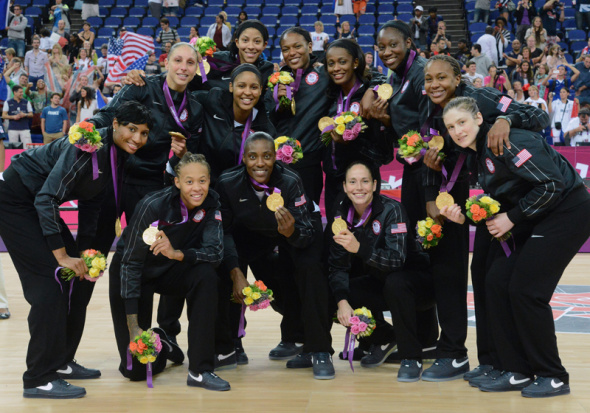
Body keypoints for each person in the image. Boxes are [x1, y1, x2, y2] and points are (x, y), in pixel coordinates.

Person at [0, 101, 152, 399]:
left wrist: (84, 251)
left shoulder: (118, 153)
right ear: (116, 123)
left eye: (144, 133)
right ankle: (38, 378)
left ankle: (62, 361)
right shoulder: (88, 147)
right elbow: (46, 199)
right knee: (50, 283)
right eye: (132, 129)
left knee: (76, 280)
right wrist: (62, 256)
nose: (137, 138)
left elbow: (92, 201)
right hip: (15, 200)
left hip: (37, 201)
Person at [440, 96, 590, 397]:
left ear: (479, 119)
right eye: (451, 126)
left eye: (462, 122)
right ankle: (516, 370)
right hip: (538, 215)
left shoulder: (507, 141)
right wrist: (465, 216)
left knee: (526, 291)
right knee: (496, 281)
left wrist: (512, 218)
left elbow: (551, 185)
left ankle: (553, 375)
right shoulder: (475, 152)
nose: (457, 131)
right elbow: (507, 196)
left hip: (567, 213)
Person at [422, 54, 550, 382]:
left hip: (519, 203)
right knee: (480, 274)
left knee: (497, 280)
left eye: (442, 78)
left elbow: (538, 116)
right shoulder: (433, 111)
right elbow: (444, 159)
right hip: (488, 201)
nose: (434, 84)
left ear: (458, 79)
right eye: (428, 79)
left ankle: (512, 363)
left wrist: (508, 121)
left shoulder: (482, 96)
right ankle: (491, 361)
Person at [215, 132, 334, 379]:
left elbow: (307, 232)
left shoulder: (290, 181)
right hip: (254, 233)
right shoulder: (228, 181)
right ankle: (230, 344)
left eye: (267, 156)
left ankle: (319, 350)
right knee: (225, 266)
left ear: (275, 158)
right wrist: (235, 271)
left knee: (310, 272)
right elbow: (223, 232)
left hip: (297, 230)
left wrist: (291, 233)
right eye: (253, 157)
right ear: (244, 159)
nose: (260, 163)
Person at [108, 152, 230, 391]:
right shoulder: (153, 205)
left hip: (172, 268)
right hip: (134, 274)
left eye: (202, 180)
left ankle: (200, 370)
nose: (197, 188)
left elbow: (215, 253)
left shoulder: (213, 202)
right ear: (177, 182)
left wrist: (177, 254)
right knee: (135, 371)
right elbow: (130, 263)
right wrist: (134, 326)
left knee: (206, 275)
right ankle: (163, 342)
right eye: (189, 181)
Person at [329, 160, 434, 382]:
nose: (359, 188)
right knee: (334, 293)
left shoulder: (392, 209)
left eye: (365, 181)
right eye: (353, 182)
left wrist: (359, 248)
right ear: (345, 187)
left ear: (375, 185)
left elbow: (397, 260)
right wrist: (341, 301)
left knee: (396, 282)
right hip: (382, 282)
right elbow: (337, 265)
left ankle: (410, 357)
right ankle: (384, 338)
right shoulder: (341, 216)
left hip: (418, 285)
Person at [322, 39, 394, 221]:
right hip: (333, 180)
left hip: (362, 180)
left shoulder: (370, 95)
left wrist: (351, 142)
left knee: (364, 235)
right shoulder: (328, 94)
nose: (336, 68)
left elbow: (382, 152)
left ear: (355, 62)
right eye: (331, 64)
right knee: (336, 237)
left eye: (342, 62)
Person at [264, 27, 332, 205]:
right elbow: (266, 121)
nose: (292, 53)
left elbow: (363, 76)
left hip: (308, 167)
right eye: (286, 49)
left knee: (308, 219)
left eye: (297, 46)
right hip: (277, 168)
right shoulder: (275, 82)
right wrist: (276, 103)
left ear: (310, 47)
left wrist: (374, 89)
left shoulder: (325, 75)